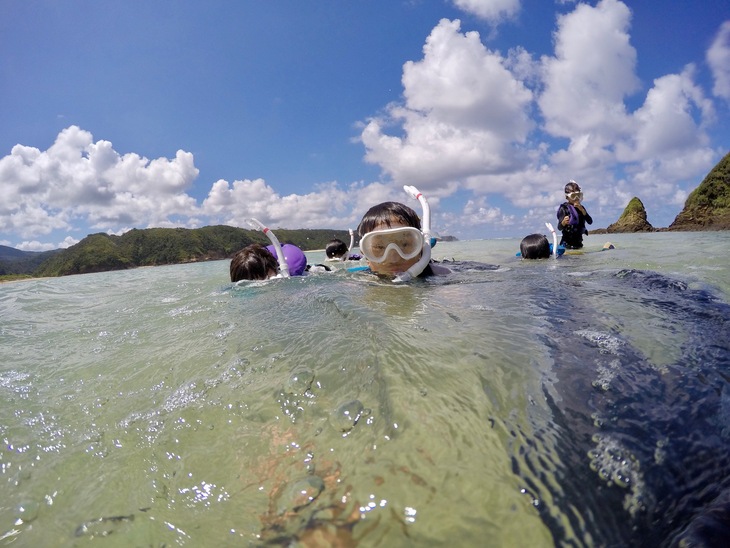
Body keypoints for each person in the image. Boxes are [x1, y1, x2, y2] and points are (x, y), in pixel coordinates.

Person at [356, 201, 450, 279]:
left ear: (420, 247)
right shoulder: (359, 280)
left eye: (405, 244)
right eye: (380, 247)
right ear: (365, 253)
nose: (394, 260)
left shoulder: (442, 274)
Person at [556, 180, 593, 249]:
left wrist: (582, 211)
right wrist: (563, 222)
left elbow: (590, 221)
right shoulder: (564, 208)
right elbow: (559, 227)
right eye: (573, 196)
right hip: (566, 245)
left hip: (578, 244)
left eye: (578, 195)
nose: (576, 198)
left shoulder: (581, 208)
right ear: (567, 197)